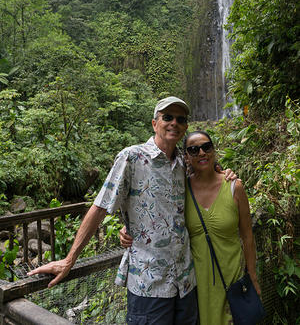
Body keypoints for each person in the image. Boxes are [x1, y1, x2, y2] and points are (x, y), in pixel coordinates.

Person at [28, 97, 235, 325]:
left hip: (185, 282)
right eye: (167, 117)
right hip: (149, 285)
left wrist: (223, 172)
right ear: (155, 123)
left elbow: (204, 176)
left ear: (185, 126)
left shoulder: (183, 164)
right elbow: (100, 206)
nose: (174, 122)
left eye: (180, 119)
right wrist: (69, 260)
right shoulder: (132, 157)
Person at [183, 130, 261, 324]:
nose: (201, 153)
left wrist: (252, 276)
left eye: (206, 147)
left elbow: (247, 236)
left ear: (213, 150)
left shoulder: (235, 187)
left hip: (233, 280)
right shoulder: (180, 190)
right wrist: (128, 230)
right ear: (186, 157)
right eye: (194, 150)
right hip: (197, 286)